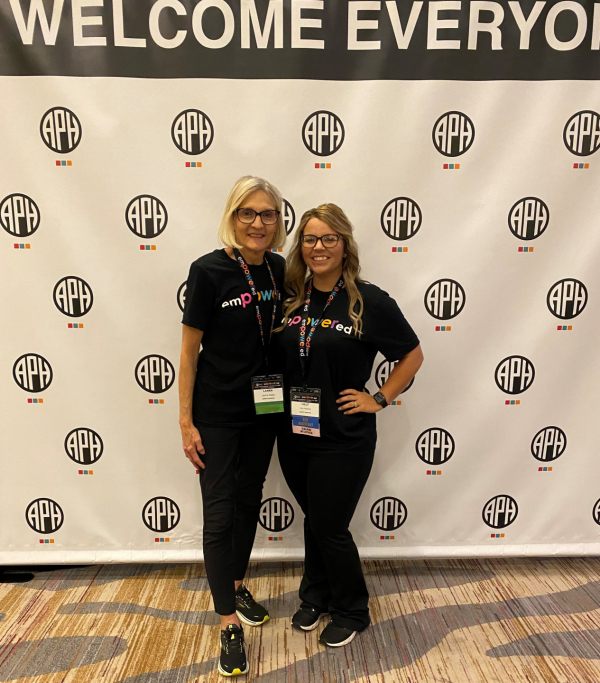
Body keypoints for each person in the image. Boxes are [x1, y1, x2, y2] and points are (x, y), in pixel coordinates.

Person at [274, 203, 423, 647]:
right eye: (310, 239)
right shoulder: (291, 295)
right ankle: (315, 595)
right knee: (315, 519)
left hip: (343, 436)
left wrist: (378, 397)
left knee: (330, 525)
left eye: (329, 238)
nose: (318, 247)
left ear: (344, 244)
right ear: (300, 246)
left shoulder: (368, 299)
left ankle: (352, 609)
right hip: (293, 432)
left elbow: (412, 354)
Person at [178, 176, 286, 676]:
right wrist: (185, 420)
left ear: (278, 222)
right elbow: (188, 352)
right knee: (220, 513)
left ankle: (238, 586)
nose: (257, 222)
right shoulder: (209, 270)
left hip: (264, 408)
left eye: (267, 214)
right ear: (232, 215)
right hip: (217, 411)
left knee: (250, 499)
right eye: (248, 212)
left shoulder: (281, 269)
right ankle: (227, 623)